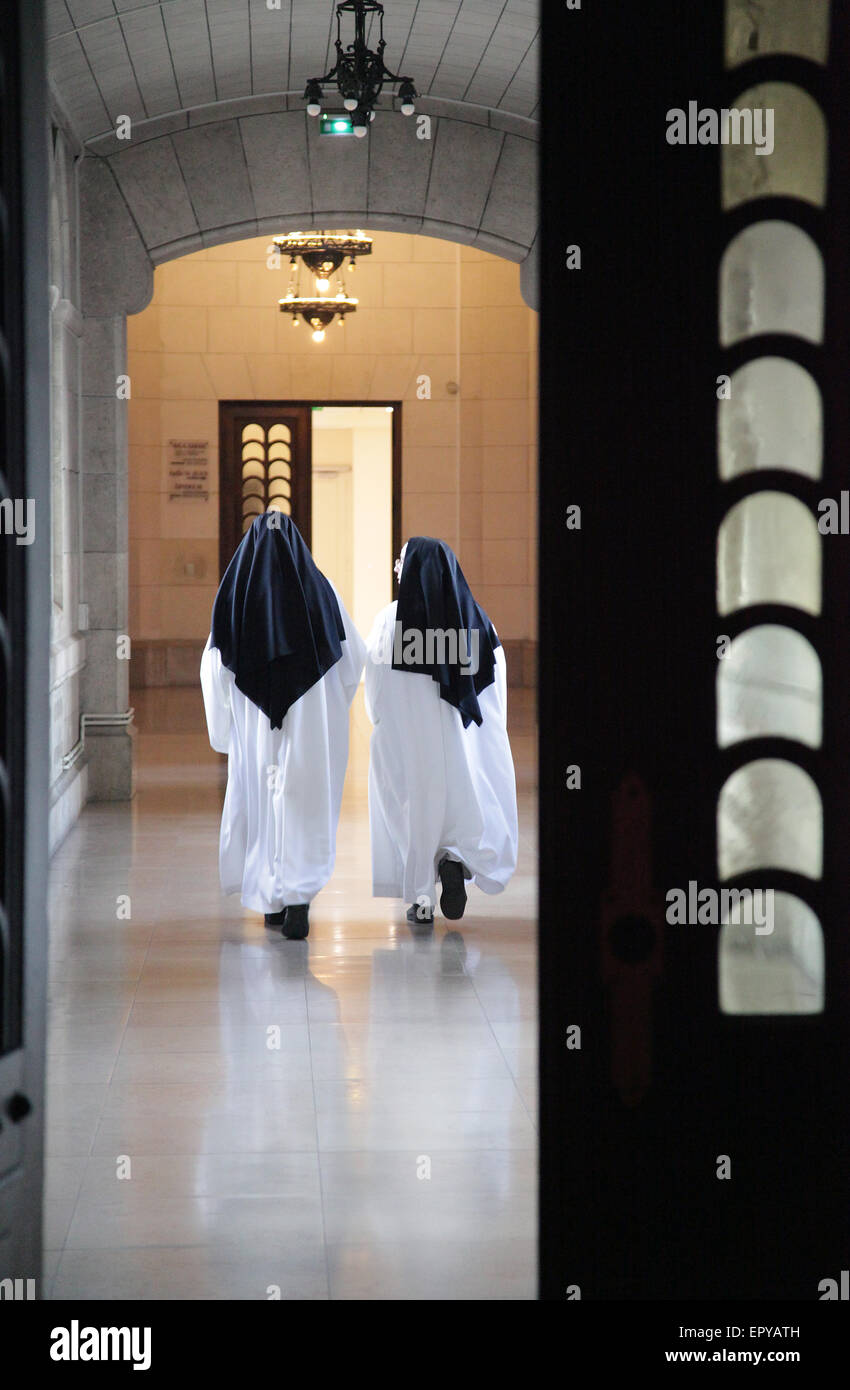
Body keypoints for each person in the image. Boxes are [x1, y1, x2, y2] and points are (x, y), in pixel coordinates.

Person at [200, 511, 365, 940]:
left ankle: (270, 896)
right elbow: (353, 659)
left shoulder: (234, 594)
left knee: (260, 801)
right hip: (310, 722)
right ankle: (298, 897)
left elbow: (215, 667)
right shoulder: (322, 592)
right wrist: (330, 707)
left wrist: (225, 724)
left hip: (255, 724)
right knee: (303, 800)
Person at [364, 536, 518, 927]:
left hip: (410, 746)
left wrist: (383, 722)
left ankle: (421, 896)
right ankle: (454, 859)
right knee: (460, 809)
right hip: (462, 747)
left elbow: (376, 692)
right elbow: (494, 689)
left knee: (412, 814)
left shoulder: (389, 623)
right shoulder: (477, 621)